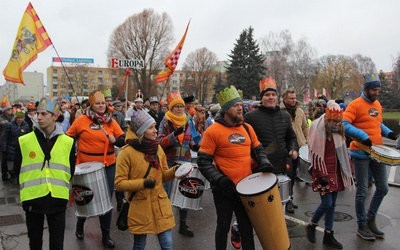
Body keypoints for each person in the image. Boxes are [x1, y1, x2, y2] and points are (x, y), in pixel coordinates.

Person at [197, 85, 273, 250]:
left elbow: (258, 149)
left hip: (246, 189)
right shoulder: (213, 131)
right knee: (223, 227)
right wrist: (219, 179)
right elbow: (203, 161)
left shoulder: (247, 128)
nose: (240, 108)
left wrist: (264, 162)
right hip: (224, 190)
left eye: (241, 105)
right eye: (235, 106)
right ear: (225, 109)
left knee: (247, 228)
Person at [14, 97, 76, 250]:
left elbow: (71, 169)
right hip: (33, 199)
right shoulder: (24, 140)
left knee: (57, 244)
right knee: (35, 243)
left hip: (57, 199)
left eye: (44, 114)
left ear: (55, 116)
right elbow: (17, 169)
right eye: (37, 113)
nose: (39, 117)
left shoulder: (68, 142)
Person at [66, 91, 125, 248]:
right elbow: (67, 138)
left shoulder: (111, 122)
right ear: (91, 105)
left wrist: (116, 140)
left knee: (106, 199)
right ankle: (80, 224)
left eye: (103, 103)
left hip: (108, 165)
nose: (101, 106)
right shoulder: (81, 120)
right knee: (86, 197)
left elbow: (123, 139)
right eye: (97, 103)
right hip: (86, 166)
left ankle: (105, 234)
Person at [115, 108, 180, 249]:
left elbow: (162, 176)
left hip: (160, 204)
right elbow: (119, 184)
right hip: (140, 206)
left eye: (155, 127)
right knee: (139, 245)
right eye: (151, 128)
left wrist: (175, 171)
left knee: (167, 245)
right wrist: (143, 183)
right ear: (141, 132)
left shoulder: (157, 148)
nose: (155, 130)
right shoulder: (126, 153)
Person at [343, 73, 397, 241]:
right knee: (362, 191)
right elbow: (344, 124)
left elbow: (376, 123)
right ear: (366, 89)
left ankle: (370, 219)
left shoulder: (378, 105)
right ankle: (361, 225)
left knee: (383, 187)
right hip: (360, 152)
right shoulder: (355, 105)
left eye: (378, 89)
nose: (376, 92)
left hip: (377, 151)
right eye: (374, 89)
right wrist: (361, 135)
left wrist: (388, 132)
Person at [305, 100, 353, 249]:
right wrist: (320, 173)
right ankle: (312, 225)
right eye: (333, 120)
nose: (336, 123)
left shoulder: (339, 130)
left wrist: (348, 171)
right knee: (327, 203)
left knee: (333, 206)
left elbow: (343, 153)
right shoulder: (317, 128)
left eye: (338, 121)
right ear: (328, 117)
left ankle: (328, 234)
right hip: (323, 171)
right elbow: (314, 153)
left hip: (336, 171)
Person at [158, 91, 201, 237]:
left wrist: (197, 146)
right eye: (176, 106)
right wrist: (174, 135)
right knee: (167, 195)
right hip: (170, 163)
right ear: (170, 108)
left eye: (181, 106)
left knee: (185, 193)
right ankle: (166, 224)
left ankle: (183, 224)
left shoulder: (188, 121)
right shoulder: (165, 121)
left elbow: (192, 141)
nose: (179, 109)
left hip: (186, 161)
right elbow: (159, 143)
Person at [280, 88, 309, 213]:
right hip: (287, 149)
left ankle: (290, 198)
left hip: (300, 147)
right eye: (291, 98)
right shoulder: (279, 112)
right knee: (288, 175)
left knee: (294, 175)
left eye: (294, 98)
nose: (293, 100)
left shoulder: (300, 111)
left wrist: (307, 142)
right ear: (284, 99)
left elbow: (305, 127)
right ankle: (287, 201)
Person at [1, 109, 30, 182]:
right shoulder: (10, 125)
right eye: (18, 118)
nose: (20, 120)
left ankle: (18, 177)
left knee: (19, 163)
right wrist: (4, 148)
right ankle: (11, 175)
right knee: (11, 163)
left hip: (21, 148)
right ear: (15, 118)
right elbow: (5, 137)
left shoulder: (26, 125)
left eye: (21, 118)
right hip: (11, 147)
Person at [0, 96, 14, 181]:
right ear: (5, 111)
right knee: (4, 159)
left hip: (12, 141)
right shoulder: (1, 119)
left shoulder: (14, 118)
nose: (10, 110)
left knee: (12, 158)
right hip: (3, 141)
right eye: (8, 109)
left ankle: (12, 172)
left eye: (11, 109)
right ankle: (4, 174)